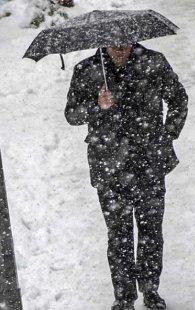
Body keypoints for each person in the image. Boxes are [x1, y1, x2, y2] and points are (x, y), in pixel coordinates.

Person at [65, 44, 188, 310]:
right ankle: (123, 297)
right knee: (118, 234)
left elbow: (178, 98)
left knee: (150, 231)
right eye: (113, 43)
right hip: (108, 165)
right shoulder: (87, 69)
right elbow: (71, 114)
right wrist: (97, 106)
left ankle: (150, 290)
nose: (119, 48)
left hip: (149, 163)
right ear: (103, 43)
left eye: (125, 42)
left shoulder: (153, 62)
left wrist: (168, 134)